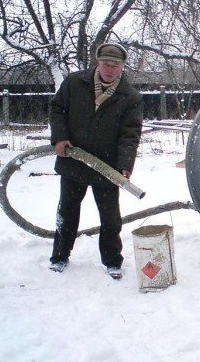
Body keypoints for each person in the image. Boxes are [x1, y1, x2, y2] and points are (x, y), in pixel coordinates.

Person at [48, 43, 142, 279]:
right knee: (67, 212)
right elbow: (57, 109)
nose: (110, 69)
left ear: (122, 67)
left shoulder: (129, 96)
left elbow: (129, 134)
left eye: (116, 65)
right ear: (98, 62)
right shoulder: (75, 82)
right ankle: (59, 256)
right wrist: (60, 138)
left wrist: (124, 166)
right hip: (74, 159)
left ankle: (112, 260)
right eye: (106, 64)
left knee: (110, 217)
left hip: (107, 167)